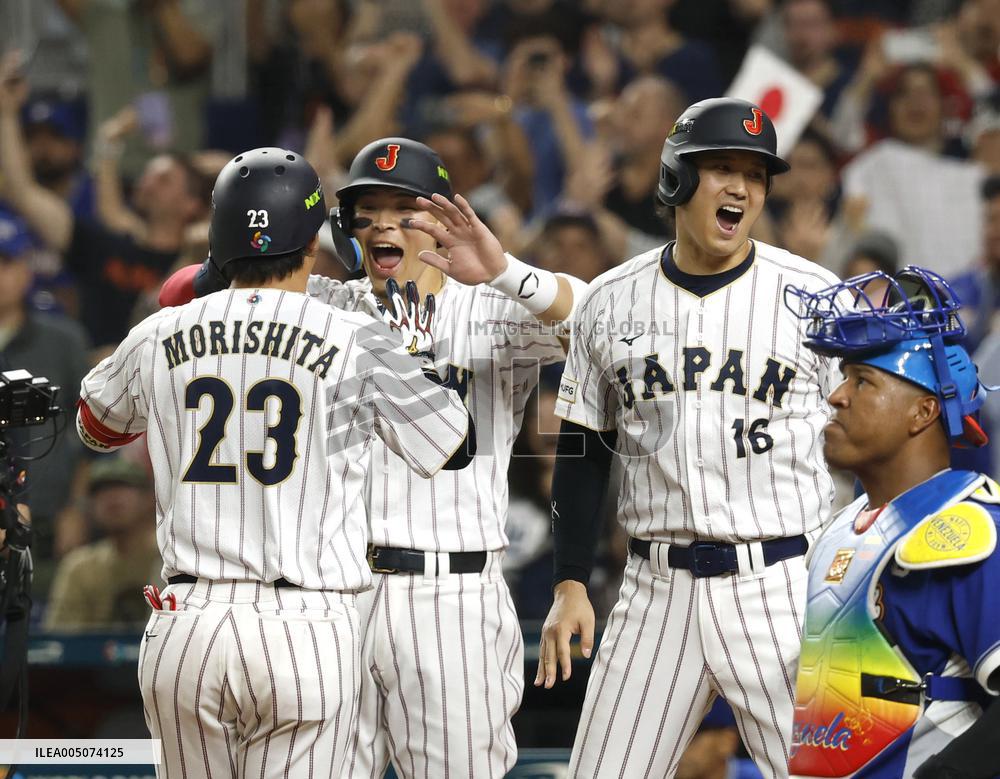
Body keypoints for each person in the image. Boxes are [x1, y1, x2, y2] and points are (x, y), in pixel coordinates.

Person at [160, 136, 584, 778]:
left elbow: (606, 324)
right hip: (334, 594)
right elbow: (182, 295)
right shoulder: (327, 304)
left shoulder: (494, 309)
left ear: (446, 218)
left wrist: (504, 271)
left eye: (404, 209)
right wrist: (226, 265)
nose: (384, 224)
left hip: (450, 592)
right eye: (367, 212)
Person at [77, 147, 474, 778]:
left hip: (189, 625)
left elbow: (95, 427)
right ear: (314, 243)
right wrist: (411, 344)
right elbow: (451, 444)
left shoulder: (161, 328)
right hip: (306, 627)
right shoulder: (355, 334)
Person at [537, 97, 842, 778]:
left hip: (782, 583)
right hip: (656, 586)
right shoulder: (610, 300)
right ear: (675, 178)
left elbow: (865, 435)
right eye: (722, 169)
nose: (741, 187)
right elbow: (583, 448)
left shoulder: (815, 296)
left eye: (756, 175)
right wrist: (568, 581)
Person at [785, 266, 1000, 779]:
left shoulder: (974, 530)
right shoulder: (840, 529)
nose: (837, 397)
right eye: (842, 380)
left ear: (923, 412)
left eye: (863, 382)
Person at [44, 456, 161, 631]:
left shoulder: (170, 559)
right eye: (101, 490)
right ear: (90, 505)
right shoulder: (80, 568)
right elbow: (60, 643)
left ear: (149, 499)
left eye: (124, 487)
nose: (112, 497)